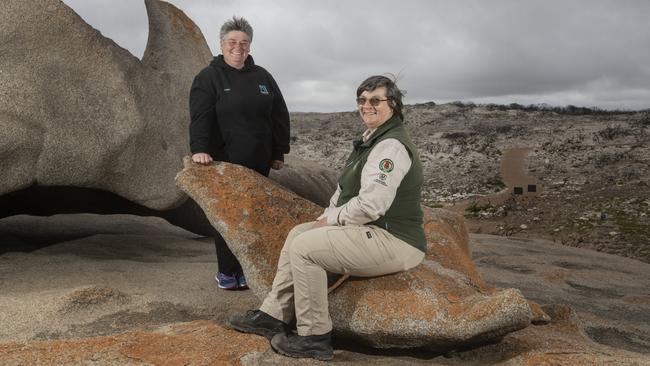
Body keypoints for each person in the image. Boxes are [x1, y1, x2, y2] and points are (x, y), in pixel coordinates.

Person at [229, 75, 426, 360]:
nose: (366, 106)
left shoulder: (390, 147)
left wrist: (333, 221)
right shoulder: (371, 140)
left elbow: (372, 205)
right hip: (370, 229)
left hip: (395, 239)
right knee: (299, 233)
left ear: (393, 105)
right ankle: (274, 315)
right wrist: (326, 217)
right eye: (362, 100)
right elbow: (345, 191)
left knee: (306, 249)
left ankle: (314, 336)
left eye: (375, 100)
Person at [189, 16, 290, 290]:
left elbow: (279, 114)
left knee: (253, 216)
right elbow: (200, 117)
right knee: (230, 216)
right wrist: (199, 149)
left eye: (244, 43)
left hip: (260, 161)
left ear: (250, 46)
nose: (238, 47)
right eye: (232, 42)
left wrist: (279, 151)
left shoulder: (262, 77)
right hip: (224, 161)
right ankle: (227, 273)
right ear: (221, 45)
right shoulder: (208, 77)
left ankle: (247, 270)